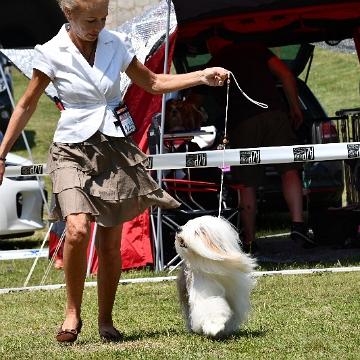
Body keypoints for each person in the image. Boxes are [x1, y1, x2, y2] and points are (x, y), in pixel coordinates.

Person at [0, 0, 229, 343]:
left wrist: (201, 75)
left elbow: (151, 81)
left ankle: (105, 320)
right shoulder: (50, 52)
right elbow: (26, 103)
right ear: (69, 15)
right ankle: (72, 312)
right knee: (76, 229)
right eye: (90, 20)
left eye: (103, 18)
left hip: (114, 146)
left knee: (110, 241)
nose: (98, 26)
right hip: (71, 150)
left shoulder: (114, 43)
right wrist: (1, 152)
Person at [206, 36, 316, 252]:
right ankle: (297, 225)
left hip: (242, 123)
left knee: (247, 183)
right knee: (290, 168)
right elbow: (285, 74)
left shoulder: (214, 63)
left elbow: (197, 100)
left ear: (212, 42)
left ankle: (249, 240)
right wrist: (294, 107)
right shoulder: (254, 48)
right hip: (275, 114)